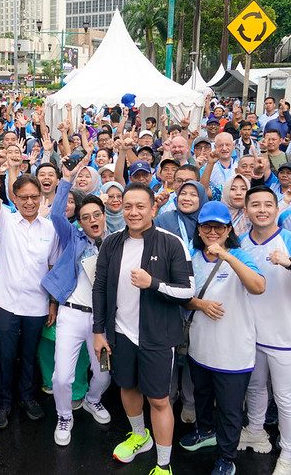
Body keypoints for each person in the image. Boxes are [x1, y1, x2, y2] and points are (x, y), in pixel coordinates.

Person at [92, 183, 195, 475]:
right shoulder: (111, 242)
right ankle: (140, 435)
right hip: (121, 333)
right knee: (127, 386)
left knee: (159, 399)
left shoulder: (171, 242)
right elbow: (100, 288)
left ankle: (164, 464)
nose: (133, 212)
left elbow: (188, 290)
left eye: (140, 206)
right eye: (127, 206)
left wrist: (154, 283)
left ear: (153, 208)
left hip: (158, 336)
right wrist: (99, 330)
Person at [238, 186, 291, 475]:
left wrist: (290, 263)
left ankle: (288, 455)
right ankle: (254, 430)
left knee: (287, 398)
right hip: (252, 335)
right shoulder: (240, 242)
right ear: (247, 210)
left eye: (267, 205)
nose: (261, 210)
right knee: (254, 388)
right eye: (255, 205)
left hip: (286, 338)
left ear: (277, 209)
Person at [177, 202, 265, 475]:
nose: (212, 231)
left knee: (229, 408)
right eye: (207, 226)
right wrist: (201, 305)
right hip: (200, 345)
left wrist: (227, 257)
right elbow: (180, 297)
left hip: (233, 350)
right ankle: (205, 431)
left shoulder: (241, 255)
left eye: (219, 226)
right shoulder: (191, 256)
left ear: (228, 230)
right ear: (199, 230)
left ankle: (227, 457)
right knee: (202, 394)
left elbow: (258, 286)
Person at [0, 149, 60, 429]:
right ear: (14, 199)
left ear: (41, 198)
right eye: (23, 197)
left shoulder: (50, 229)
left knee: (29, 356)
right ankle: (3, 404)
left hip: (37, 305)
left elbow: (52, 269)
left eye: (34, 197)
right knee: (5, 355)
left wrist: (52, 303)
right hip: (5, 302)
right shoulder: (5, 221)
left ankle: (28, 398)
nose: (29, 202)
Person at [43, 160, 111, 446]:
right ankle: (63, 415)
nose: (93, 220)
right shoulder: (73, 237)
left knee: (104, 372)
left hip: (101, 321)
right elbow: (58, 214)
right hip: (70, 316)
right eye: (86, 217)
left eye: (97, 215)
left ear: (105, 216)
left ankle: (93, 400)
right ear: (80, 222)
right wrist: (65, 182)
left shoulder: (116, 243)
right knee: (62, 377)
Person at [154, 181, 208, 249]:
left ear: (202, 199)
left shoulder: (208, 223)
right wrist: (156, 208)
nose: (186, 198)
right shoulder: (164, 220)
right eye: (183, 194)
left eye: (193, 195)